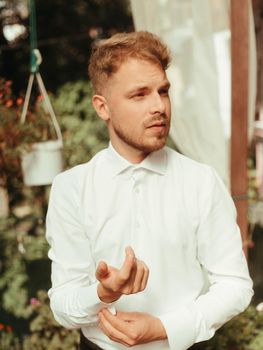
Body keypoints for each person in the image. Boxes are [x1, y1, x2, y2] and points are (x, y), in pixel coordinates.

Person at [46, 31, 253, 350]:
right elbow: (62, 304)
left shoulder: (201, 181)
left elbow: (236, 286)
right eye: (139, 95)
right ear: (103, 108)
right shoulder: (71, 189)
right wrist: (103, 293)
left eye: (163, 91)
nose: (159, 106)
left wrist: (165, 328)